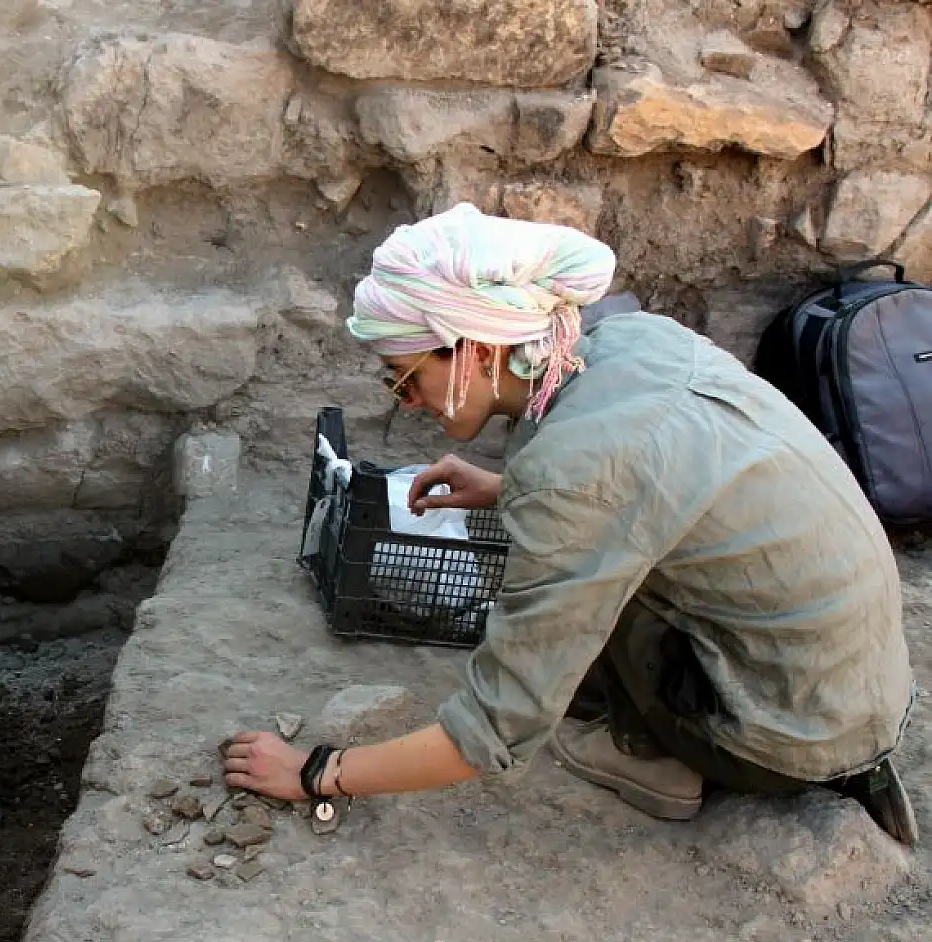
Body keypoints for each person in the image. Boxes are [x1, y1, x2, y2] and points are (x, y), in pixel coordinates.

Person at [223, 203, 920, 846]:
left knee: (564, 599)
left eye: (406, 378)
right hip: (853, 688)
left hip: (786, 733)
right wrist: (505, 488)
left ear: (476, 348)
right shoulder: (633, 340)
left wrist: (317, 771)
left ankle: (655, 757)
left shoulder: (571, 478)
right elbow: (660, 479)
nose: (406, 403)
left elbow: (493, 731)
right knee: (581, 558)